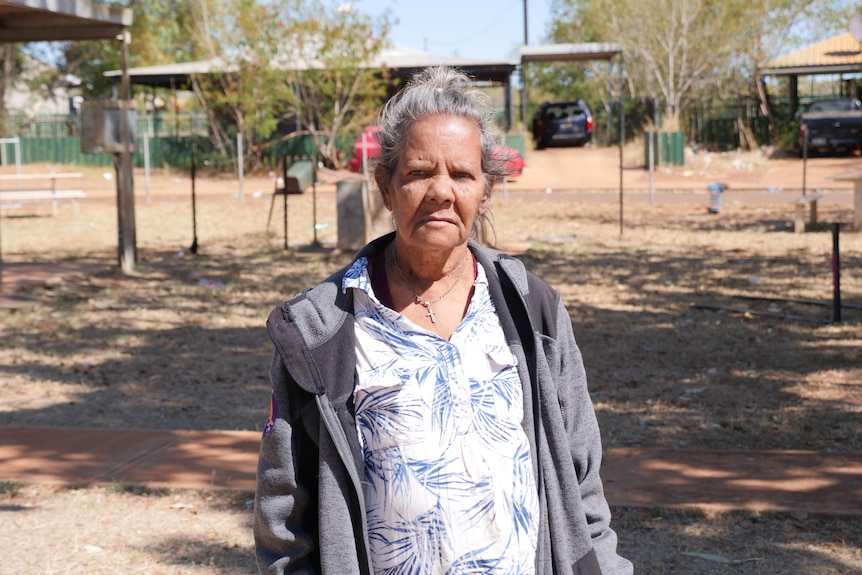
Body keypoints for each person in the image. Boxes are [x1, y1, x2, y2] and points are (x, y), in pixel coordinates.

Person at [253, 65, 633, 575]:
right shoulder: (321, 332)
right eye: (417, 173)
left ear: (486, 189)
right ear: (385, 188)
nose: (440, 191)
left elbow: (582, 491)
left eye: (461, 174)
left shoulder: (532, 311)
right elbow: (284, 529)